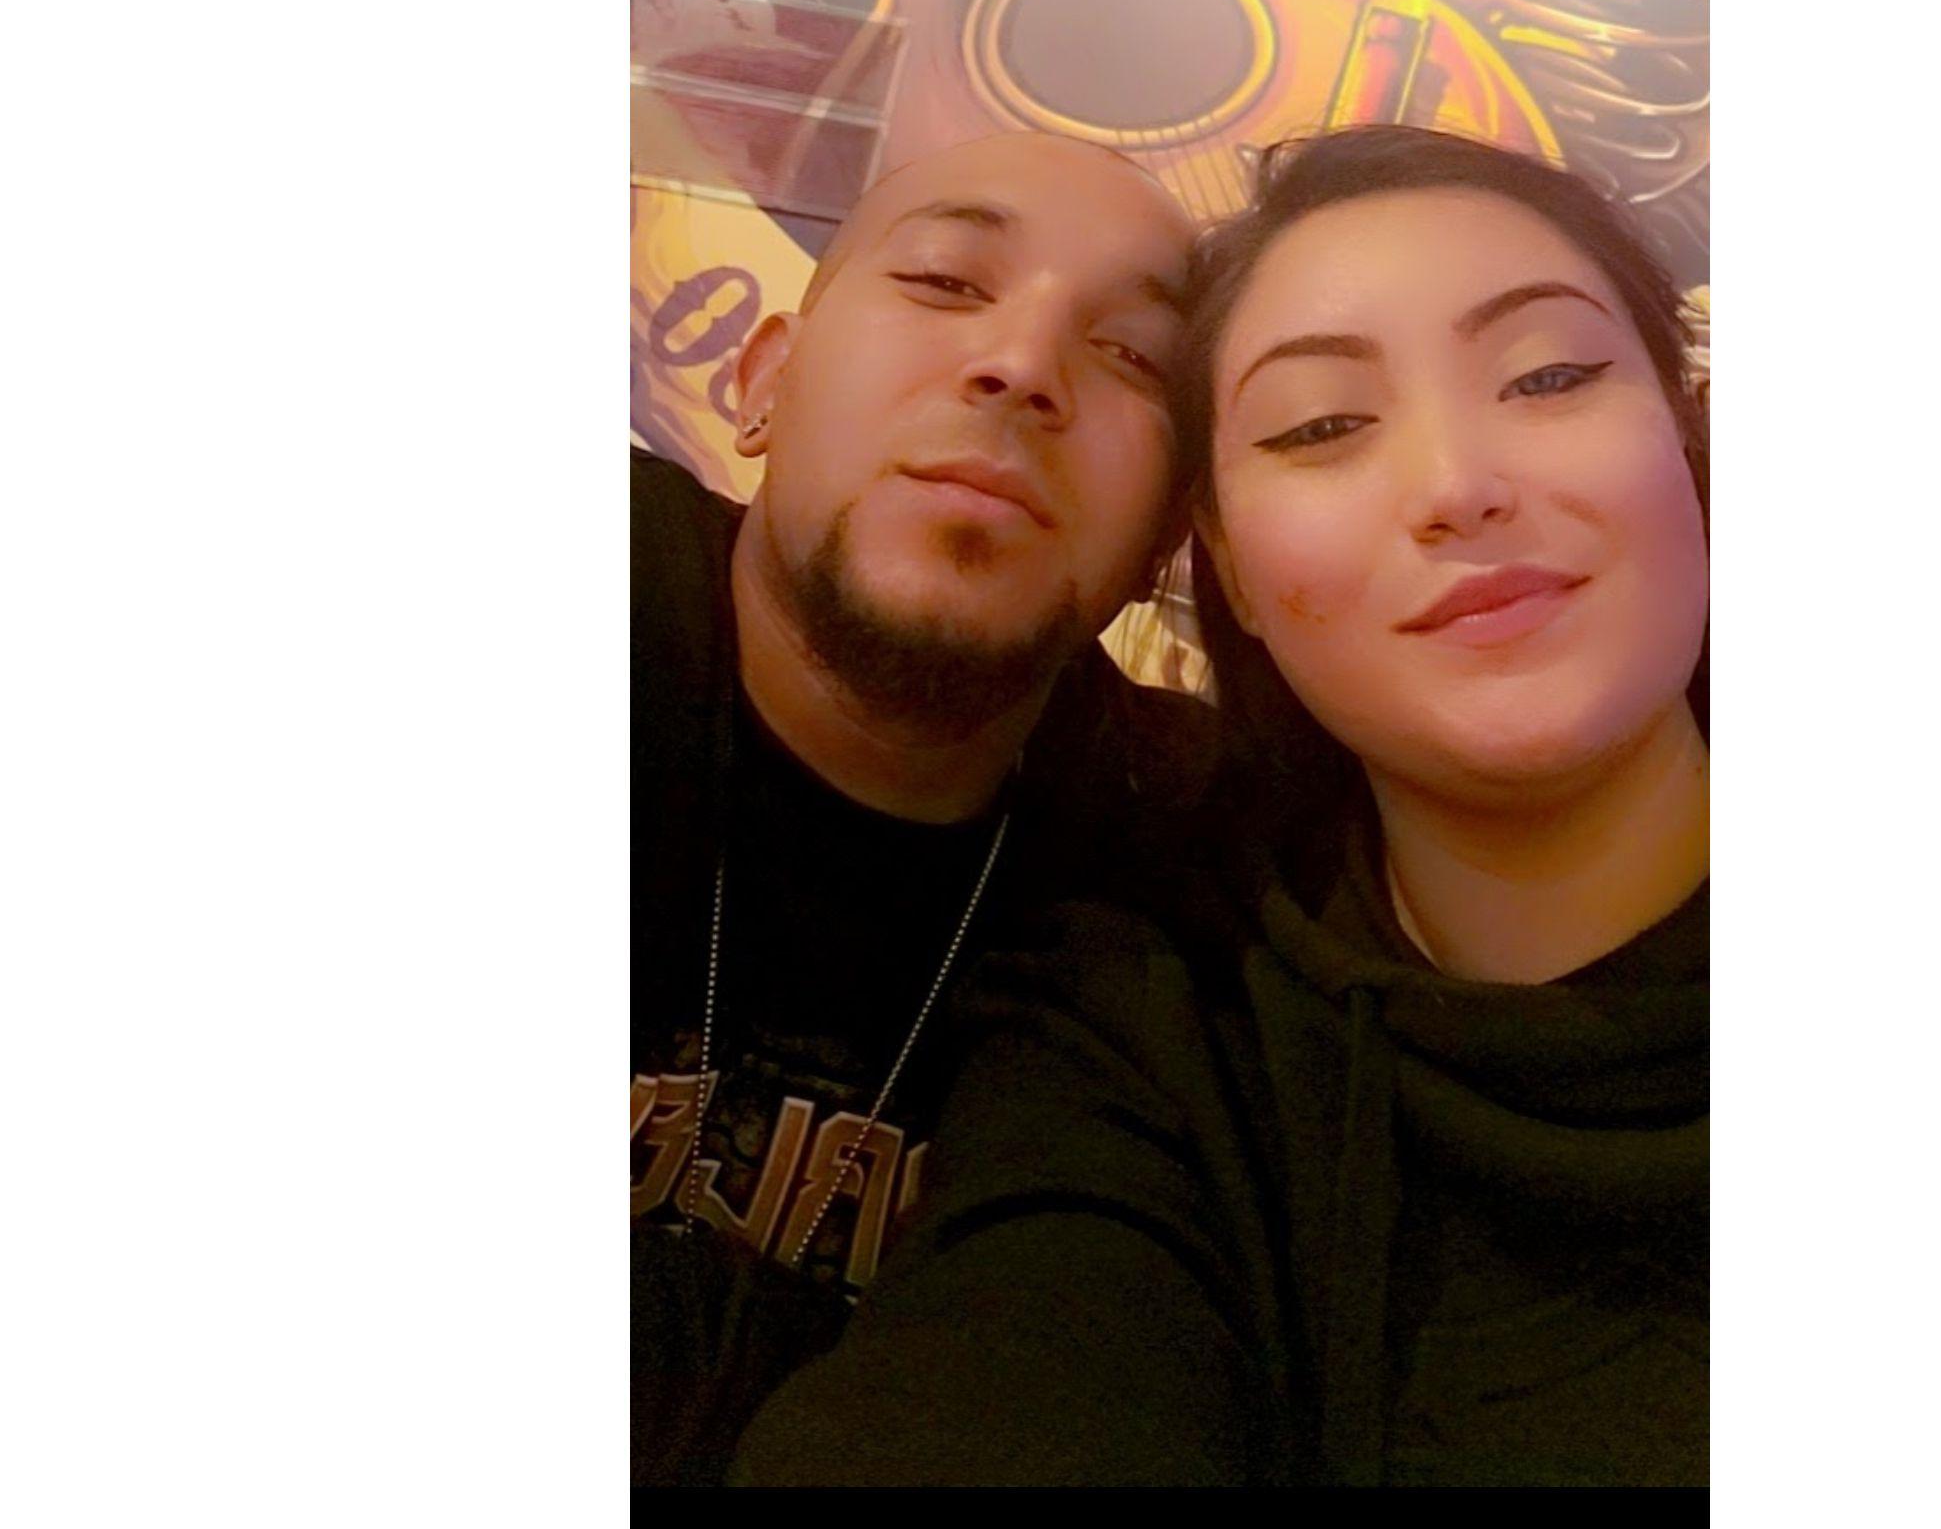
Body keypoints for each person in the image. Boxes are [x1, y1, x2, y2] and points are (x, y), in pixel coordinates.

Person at [731, 124, 1710, 1488]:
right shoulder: (1159, 1027)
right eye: (1322, 425)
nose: (1457, 486)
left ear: (1692, 439)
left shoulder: (1131, 838)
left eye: (1548, 375)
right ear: (1228, 568)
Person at [632, 130, 1220, 1485]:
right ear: (763, 382)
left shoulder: (1201, 883)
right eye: (948, 282)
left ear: (1165, 539)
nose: (1021, 364)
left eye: (1133, 355)